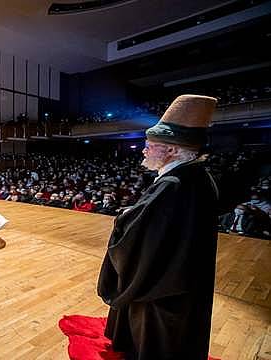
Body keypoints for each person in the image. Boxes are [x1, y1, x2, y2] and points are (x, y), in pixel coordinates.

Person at [97, 95, 220, 359]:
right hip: (182, 278)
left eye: (150, 145)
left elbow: (141, 232)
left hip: (163, 285)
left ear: (173, 150)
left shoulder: (172, 184)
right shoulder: (197, 176)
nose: (144, 150)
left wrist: (123, 217)